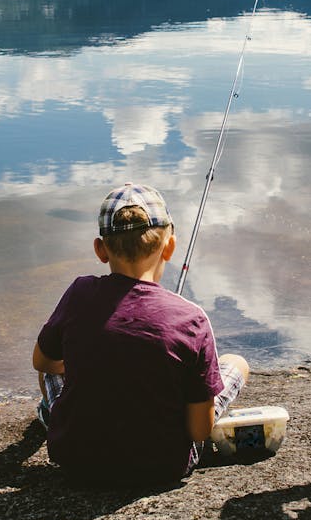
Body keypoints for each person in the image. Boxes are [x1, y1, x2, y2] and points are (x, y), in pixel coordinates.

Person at [32, 182, 250, 484]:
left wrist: (90, 365)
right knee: (237, 363)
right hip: (163, 465)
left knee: (54, 367)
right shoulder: (193, 319)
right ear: (170, 247)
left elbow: (42, 363)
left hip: (76, 460)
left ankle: (51, 416)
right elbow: (199, 431)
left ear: (100, 249)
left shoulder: (79, 292)